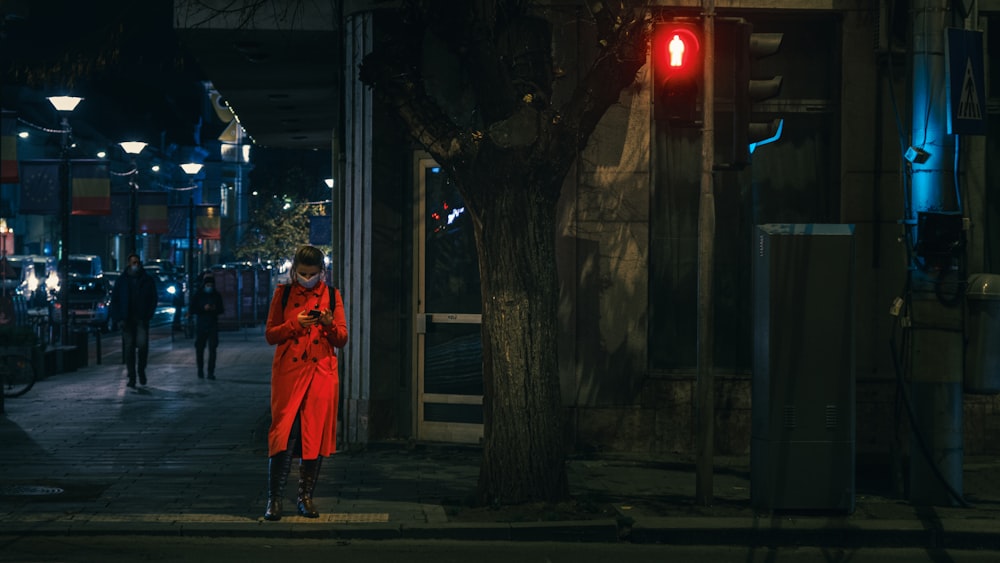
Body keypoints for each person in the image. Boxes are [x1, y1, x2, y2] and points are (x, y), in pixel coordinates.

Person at [262, 245, 347, 521]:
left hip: (321, 372)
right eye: (302, 273)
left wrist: (329, 324)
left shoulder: (333, 296)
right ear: (294, 271)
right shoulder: (283, 294)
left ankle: (305, 497)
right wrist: (296, 325)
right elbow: (271, 335)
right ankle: (274, 499)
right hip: (289, 372)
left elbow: (342, 339)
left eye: (312, 274)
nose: (307, 278)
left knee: (314, 434)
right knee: (284, 433)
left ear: (322, 272)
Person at [108, 253, 158, 388]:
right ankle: (132, 375)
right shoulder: (122, 280)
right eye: (133, 263)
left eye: (137, 262)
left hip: (141, 319)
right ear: (128, 264)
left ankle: (141, 370)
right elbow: (115, 300)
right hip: (127, 319)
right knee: (129, 348)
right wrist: (118, 318)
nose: (136, 265)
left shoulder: (147, 280)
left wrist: (148, 314)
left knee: (142, 346)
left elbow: (153, 298)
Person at [190, 273, 224, 379]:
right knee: (200, 349)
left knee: (212, 349)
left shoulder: (216, 295)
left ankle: (210, 372)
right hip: (201, 324)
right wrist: (203, 308)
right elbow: (193, 308)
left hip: (213, 324)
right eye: (207, 285)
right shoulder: (198, 295)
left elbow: (221, 309)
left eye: (211, 285)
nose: (209, 287)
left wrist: (214, 308)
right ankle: (200, 369)